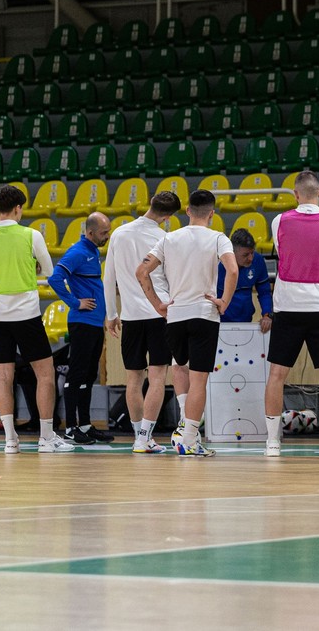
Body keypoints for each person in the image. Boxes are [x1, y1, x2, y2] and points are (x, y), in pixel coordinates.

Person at [136, 190, 238, 457]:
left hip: (175, 314)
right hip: (204, 313)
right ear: (212, 214)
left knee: (178, 367)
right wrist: (224, 301)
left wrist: (158, 303)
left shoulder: (169, 238)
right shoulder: (218, 238)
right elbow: (233, 269)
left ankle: (184, 422)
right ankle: (190, 438)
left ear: (188, 211)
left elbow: (141, 271)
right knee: (199, 380)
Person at [0, 184, 73, 454]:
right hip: (26, 313)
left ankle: (10, 439)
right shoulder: (31, 235)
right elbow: (49, 270)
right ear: (18, 208)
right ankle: (46, 437)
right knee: (45, 372)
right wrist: (33, 265)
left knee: (3, 376)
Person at [264, 171, 319, 458]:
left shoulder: (279, 221)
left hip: (288, 306)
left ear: (295, 194)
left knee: (276, 374)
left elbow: (282, 252)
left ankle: (273, 441)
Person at [103, 191, 187, 454]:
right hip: (160, 313)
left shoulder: (118, 233)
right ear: (168, 216)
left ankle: (139, 437)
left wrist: (110, 314)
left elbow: (108, 277)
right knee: (158, 376)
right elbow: (174, 279)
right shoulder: (165, 237)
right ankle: (144, 438)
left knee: (133, 379)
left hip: (129, 316)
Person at [47, 212, 113, 445]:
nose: (107, 236)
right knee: (76, 375)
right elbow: (55, 278)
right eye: (104, 233)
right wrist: (76, 303)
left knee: (88, 374)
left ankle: (84, 424)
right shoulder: (77, 252)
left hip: (94, 323)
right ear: (91, 232)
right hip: (82, 323)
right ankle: (71, 428)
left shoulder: (92, 250)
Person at [217, 228, 273, 332]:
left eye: (252, 252)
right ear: (232, 253)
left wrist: (267, 315)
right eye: (245, 255)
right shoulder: (217, 265)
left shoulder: (258, 260)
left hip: (246, 321)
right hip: (220, 323)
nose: (251, 258)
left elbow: (264, 292)